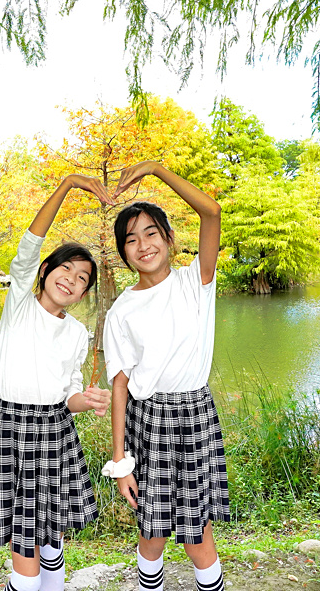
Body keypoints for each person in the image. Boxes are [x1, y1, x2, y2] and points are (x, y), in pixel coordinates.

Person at [0, 174, 113, 591]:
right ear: (46, 271)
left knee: (51, 533)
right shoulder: (19, 304)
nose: (71, 280)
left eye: (82, 279)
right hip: (15, 428)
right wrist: (68, 184)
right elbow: (29, 243)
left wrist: (85, 400)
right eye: (65, 269)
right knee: (25, 539)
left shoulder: (77, 333)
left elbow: (67, 393)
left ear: (83, 293)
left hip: (57, 430)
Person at [103, 161, 229, 591]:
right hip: (149, 420)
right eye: (131, 239)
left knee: (198, 537)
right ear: (123, 252)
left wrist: (155, 170)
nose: (142, 245)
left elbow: (210, 212)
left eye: (151, 233)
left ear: (169, 239)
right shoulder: (121, 310)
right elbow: (120, 385)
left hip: (194, 416)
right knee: (152, 535)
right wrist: (120, 463)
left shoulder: (195, 281)